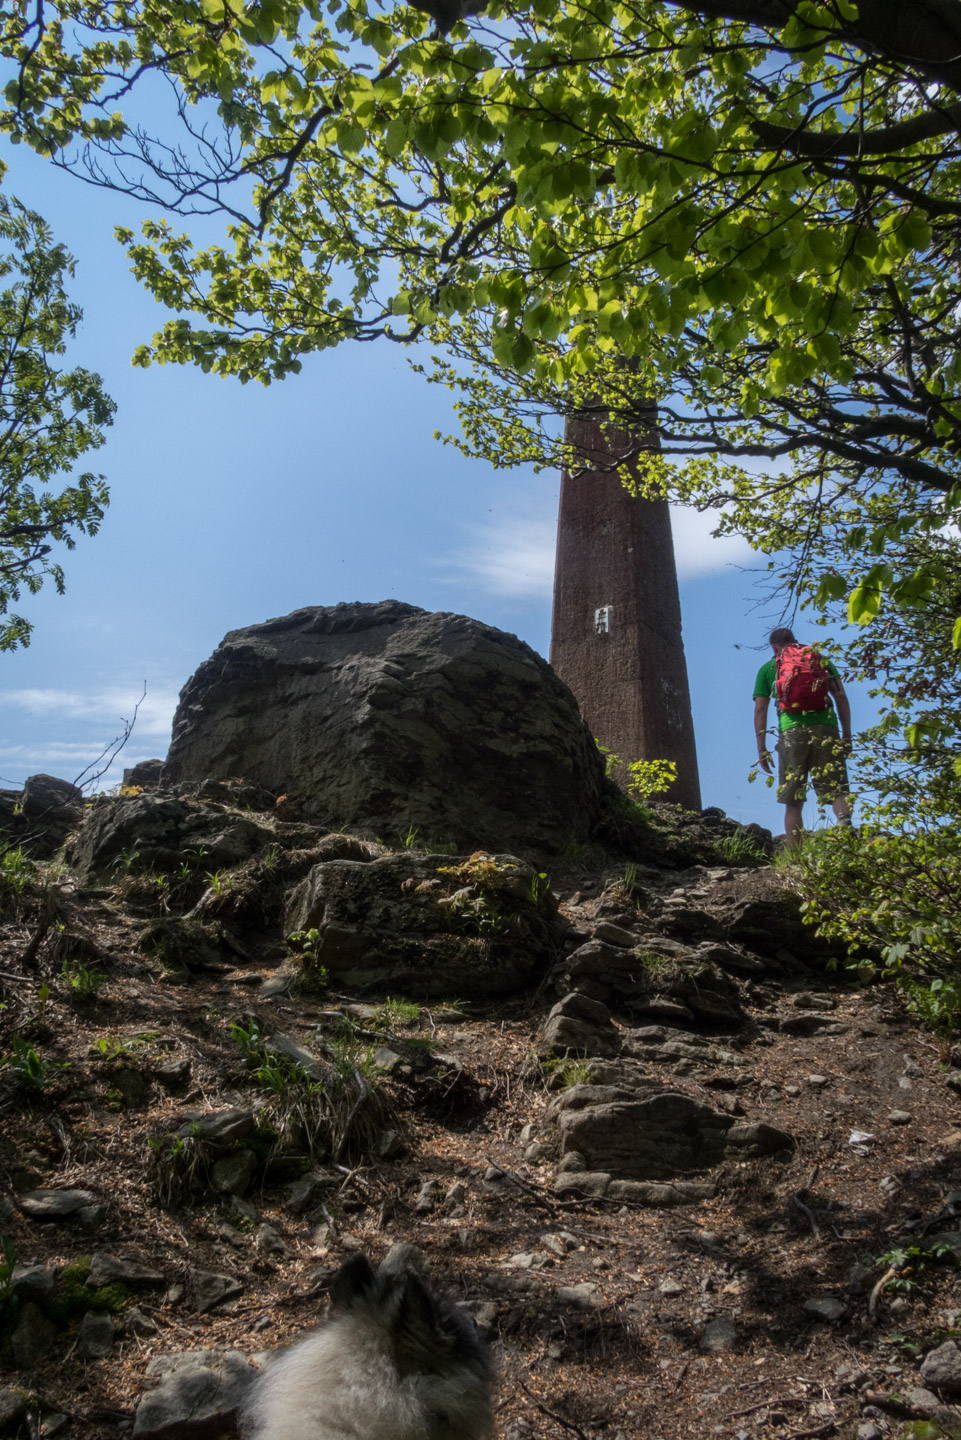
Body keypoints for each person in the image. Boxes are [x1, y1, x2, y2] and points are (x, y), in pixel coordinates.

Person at [753, 627, 853, 847]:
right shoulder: (819, 660)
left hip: (791, 733)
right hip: (826, 728)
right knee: (837, 790)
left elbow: (761, 709)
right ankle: (844, 825)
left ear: (774, 647)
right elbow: (840, 696)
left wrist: (762, 749)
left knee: (793, 800)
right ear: (795, 641)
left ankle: (798, 857)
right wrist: (846, 735)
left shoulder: (768, 669)